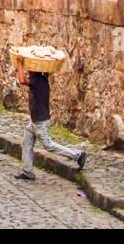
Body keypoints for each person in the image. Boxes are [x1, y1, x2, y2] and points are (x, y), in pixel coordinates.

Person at [11, 51, 85, 181]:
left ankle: (77, 155)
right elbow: (45, 71)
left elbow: (22, 80)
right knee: (27, 143)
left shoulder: (36, 80)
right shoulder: (42, 78)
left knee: (49, 145)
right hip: (35, 120)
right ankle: (27, 171)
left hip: (40, 121)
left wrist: (19, 63)